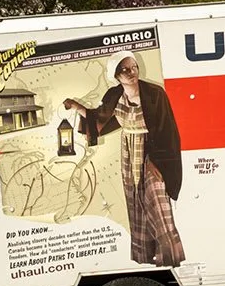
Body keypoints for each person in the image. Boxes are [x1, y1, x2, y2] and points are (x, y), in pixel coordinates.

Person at [63, 55, 185, 265]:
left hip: (154, 150)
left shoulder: (155, 93)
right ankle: (145, 256)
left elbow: (169, 131)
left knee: (157, 199)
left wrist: (160, 163)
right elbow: (99, 119)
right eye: (125, 69)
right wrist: (75, 106)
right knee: (136, 202)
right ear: (116, 75)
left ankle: (170, 256)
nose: (132, 72)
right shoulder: (114, 95)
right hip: (128, 149)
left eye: (134, 67)